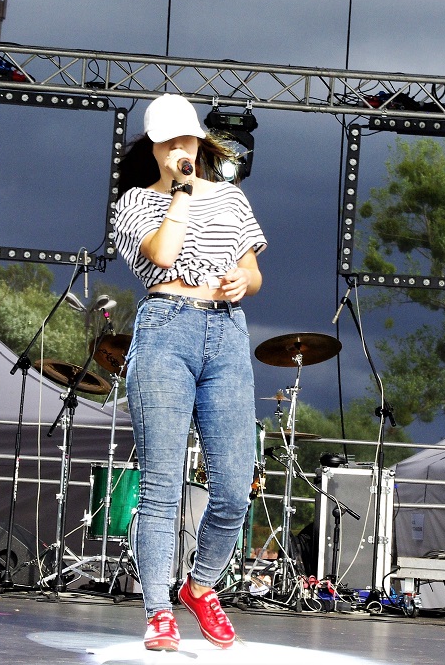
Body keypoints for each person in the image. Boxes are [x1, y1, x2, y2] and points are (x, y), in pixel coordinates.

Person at [112, 93, 266, 652]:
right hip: (166, 330)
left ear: (200, 140)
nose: (182, 148)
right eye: (170, 142)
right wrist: (180, 190)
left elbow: (252, 271)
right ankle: (158, 610)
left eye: (189, 139)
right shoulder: (134, 202)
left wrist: (242, 282)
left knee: (234, 488)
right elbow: (162, 254)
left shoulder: (230, 196)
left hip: (226, 334)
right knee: (161, 486)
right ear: (154, 148)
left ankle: (200, 586)